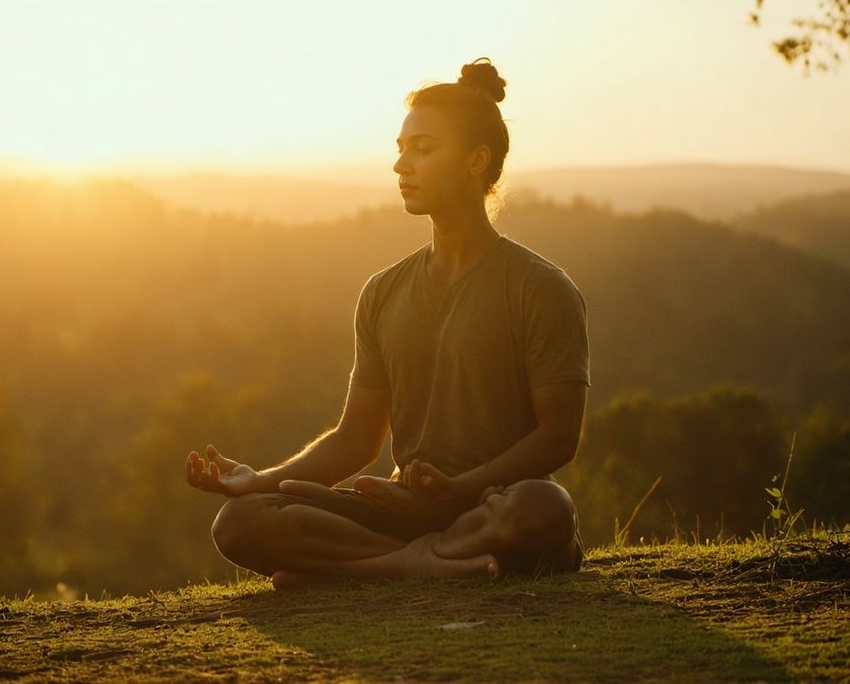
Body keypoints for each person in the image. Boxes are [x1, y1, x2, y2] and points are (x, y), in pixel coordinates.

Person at [184, 57, 590, 590]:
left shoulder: (539, 287)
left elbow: (558, 438)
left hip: (489, 507)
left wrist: (457, 491)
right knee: (241, 521)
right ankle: (410, 564)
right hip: (399, 511)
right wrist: (261, 479)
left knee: (543, 509)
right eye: (400, 150)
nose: (402, 166)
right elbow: (356, 439)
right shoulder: (383, 293)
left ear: (476, 160)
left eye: (422, 149)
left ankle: (373, 566)